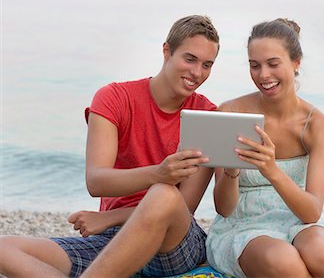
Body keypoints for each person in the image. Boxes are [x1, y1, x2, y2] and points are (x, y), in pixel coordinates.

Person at [0, 15, 220, 278]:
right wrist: (158, 173)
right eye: (190, 59)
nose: (197, 73)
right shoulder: (114, 98)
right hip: (113, 241)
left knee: (164, 194)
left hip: (172, 246)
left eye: (207, 65)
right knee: (4, 249)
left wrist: (110, 217)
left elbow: (184, 207)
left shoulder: (207, 116)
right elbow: (97, 181)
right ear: (166, 51)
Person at [205, 18, 324, 278]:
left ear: (296, 63)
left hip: (300, 219)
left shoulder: (318, 126)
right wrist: (232, 170)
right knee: (284, 261)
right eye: (254, 65)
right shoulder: (230, 113)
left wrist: (271, 170)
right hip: (243, 225)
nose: (263, 75)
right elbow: (224, 209)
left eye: (273, 64)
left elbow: (311, 212)